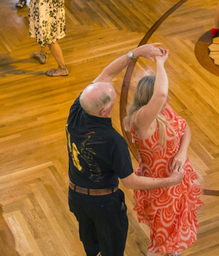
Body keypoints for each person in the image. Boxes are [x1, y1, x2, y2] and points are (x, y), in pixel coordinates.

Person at [66, 44, 185, 256]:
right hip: (103, 204)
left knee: (90, 243)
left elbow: (107, 73)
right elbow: (130, 182)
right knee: (112, 249)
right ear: (105, 110)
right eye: (112, 99)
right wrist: (170, 181)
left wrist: (135, 54)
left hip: (76, 196)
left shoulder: (77, 110)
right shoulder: (112, 141)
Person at [124, 49, 203, 256]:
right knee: (160, 237)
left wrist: (182, 153)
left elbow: (185, 127)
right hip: (160, 186)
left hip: (178, 178)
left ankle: (173, 248)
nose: (167, 99)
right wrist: (161, 62)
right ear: (150, 100)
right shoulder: (141, 120)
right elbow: (159, 95)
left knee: (175, 224)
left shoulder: (164, 111)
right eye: (162, 97)